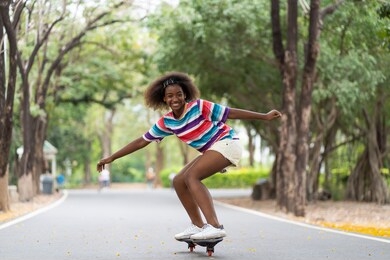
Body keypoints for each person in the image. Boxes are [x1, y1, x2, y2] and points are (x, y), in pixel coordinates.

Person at [96, 71, 282, 241]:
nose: (175, 98)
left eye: (179, 94)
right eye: (170, 96)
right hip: (213, 149)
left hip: (228, 143)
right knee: (178, 180)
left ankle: (215, 226)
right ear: (164, 99)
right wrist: (111, 157)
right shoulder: (167, 122)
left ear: (185, 95)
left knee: (192, 177)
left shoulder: (199, 107)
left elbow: (230, 113)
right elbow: (141, 141)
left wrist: (264, 117)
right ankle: (198, 226)